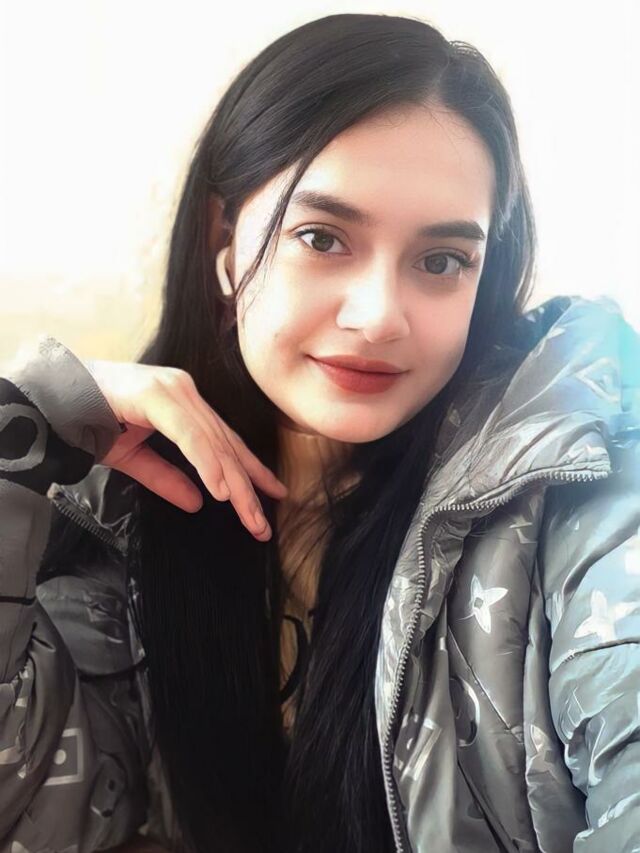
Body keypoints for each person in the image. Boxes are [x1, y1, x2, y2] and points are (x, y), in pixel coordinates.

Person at [1, 11, 639, 853]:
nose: (379, 316)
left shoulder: (578, 474)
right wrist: (20, 434)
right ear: (224, 242)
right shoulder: (105, 506)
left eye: (441, 260)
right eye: (322, 237)